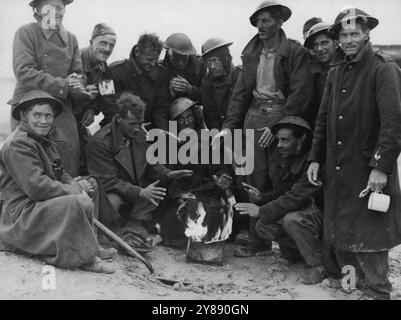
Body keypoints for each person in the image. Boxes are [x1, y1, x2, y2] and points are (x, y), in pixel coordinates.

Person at [307, 8, 401, 300]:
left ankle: (378, 290)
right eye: (344, 35)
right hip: (338, 167)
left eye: (354, 34)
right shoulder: (336, 72)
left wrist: (381, 167)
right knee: (343, 229)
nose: (348, 40)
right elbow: (322, 120)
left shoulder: (382, 68)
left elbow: (393, 122)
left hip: (366, 168)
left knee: (371, 231)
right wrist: (314, 158)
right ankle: (353, 285)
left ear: (366, 34)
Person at [213, 0, 314, 257]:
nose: (261, 26)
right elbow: (240, 94)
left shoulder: (294, 51)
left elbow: (301, 93)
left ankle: (292, 245)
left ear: (279, 21)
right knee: (251, 179)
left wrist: (280, 124)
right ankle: (258, 243)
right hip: (253, 117)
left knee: (280, 176)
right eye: (258, 21)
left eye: (266, 20)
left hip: (283, 117)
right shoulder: (250, 54)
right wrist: (228, 127)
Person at [0, 90, 116, 274]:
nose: (43, 121)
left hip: (38, 205)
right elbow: (37, 188)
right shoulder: (18, 144)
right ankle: (85, 258)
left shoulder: (41, 140)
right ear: (24, 116)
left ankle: (89, 245)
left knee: (91, 184)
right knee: (79, 201)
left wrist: (77, 184)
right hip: (22, 214)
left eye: (48, 116)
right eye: (37, 115)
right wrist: (75, 190)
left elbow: (60, 174)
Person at [86, 92, 192, 238]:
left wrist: (166, 173)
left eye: (140, 123)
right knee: (113, 201)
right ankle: (112, 230)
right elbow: (107, 181)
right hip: (113, 193)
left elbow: (150, 162)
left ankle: (136, 224)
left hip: (134, 190)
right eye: (132, 124)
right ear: (118, 118)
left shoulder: (138, 133)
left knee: (161, 186)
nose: (137, 128)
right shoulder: (101, 142)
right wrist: (140, 192)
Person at [9, 0, 94, 177]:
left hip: (62, 109)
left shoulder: (71, 39)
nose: (55, 11)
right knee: (31, 165)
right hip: (29, 106)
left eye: (59, 7)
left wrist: (79, 82)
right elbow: (24, 71)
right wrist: (64, 85)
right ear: (38, 10)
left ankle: (71, 201)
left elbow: (78, 72)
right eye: (49, 6)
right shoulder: (26, 33)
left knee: (68, 161)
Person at [236, 116, 326, 283]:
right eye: (278, 140)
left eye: (285, 140)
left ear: (301, 139)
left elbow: (296, 197)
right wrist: (262, 197)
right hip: (304, 214)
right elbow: (282, 194)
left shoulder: (313, 163)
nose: (279, 145)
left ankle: (319, 264)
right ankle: (299, 253)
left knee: (292, 220)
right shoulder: (288, 159)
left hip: (321, 217)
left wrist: (261, 210)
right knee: (263, 226)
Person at [76, 23, 118, 175]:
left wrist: (91, 109)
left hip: (79, 123)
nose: (107, 49)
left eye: (111, 45)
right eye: (103, 43)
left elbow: (108, 100)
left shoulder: (103, 68)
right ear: (90, 42)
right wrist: (79, 92)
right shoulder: (72, 61)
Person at [109, 33, 172, 131]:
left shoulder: (161, 74)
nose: (153, 64)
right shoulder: (116, 72)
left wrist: (164, 135)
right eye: (149, 59)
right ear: (137, 51)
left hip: (149, 128)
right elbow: (109, 108)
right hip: (119, 126)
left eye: (156, 59)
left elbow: (161, 110)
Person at [201, 38, 241, 130]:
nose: (212, 66)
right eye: (209, 61)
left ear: (225, 59)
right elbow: (210, 115)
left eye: (215, 60)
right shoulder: (206, 83)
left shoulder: (239, 77)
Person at [304, 23, 339, 125]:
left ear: (336, 44)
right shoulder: (312, 69)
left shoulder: (347, 67)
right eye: (316, 45)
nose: (319, 49)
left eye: (324, 43)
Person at [162, 33, 203, 101]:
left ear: (189, 55)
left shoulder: (200, 66)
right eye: (176, 59)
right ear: (169, 56)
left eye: (184, 58)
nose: (180, 63)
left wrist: (190, 89)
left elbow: (209, 94)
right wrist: (170, 94)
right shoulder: (161, 71)